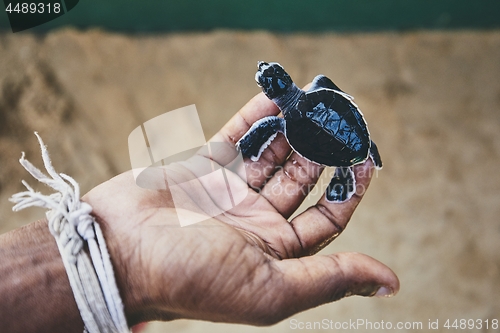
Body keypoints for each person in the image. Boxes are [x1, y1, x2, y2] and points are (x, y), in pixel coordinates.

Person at [0, 91, 399, 333]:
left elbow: (263, 133)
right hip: (324, 113)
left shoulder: (279, 121)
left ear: (281, 90)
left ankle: (360, 159)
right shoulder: (309, 97)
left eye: (268, 80)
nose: (264, 81)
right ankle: (362, 156)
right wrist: (120, 262)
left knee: (260, 133)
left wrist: (114, 263)